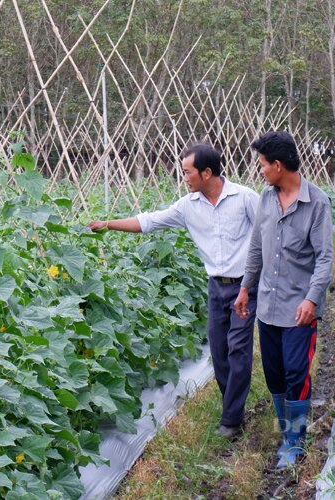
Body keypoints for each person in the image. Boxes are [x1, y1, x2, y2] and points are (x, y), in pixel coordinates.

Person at [88, 143, 259, 439]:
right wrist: (109, 224)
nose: (184, 178)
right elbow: (149, 221)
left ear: (207, 172)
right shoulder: (187, 206)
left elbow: (265, 237)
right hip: (216, 287)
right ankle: (234, 408)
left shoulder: (245, 198)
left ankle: (231, 420)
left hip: (245, 286)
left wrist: (255, 284)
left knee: (239, 350)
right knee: (219, 353)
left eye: (187, 172)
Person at [234, 131, 333, 468]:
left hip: (298, 310)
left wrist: (312, 299)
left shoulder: (316, 202)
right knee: (275, 374)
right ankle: (286, 430)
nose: (260, 170)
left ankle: (294, 441)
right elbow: (256, 246)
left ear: (278, 165)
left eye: (262, 165)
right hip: (268, 305)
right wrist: (246, 286)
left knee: (296, 373)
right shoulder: (266, 199)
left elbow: (324, 258)